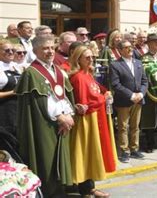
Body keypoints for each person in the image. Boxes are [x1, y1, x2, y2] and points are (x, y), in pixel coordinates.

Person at [15, 35, 75, 196]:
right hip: (43, 124)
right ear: (35, 51)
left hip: (62, 122)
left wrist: (68, 114)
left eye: (51, 48)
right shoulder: (31, 73)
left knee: (60, 156)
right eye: (45, 48)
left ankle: (60, 189)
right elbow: (40, 101)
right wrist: (59, 117)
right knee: (46, 157)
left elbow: (63, 95)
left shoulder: (58, 70)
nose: (49, 51)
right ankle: (48, 192)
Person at [69, 46, 116, 197]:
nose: (91, 60)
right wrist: (103, 98)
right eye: (87, 57)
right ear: (78, 59)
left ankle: (90, 188)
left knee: (93, 154)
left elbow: (98, 89)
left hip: (96, 118)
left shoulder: (87, 74)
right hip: (87, 122)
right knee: (87, 154)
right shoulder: (78, 78)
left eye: (92, 57)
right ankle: (85, 190)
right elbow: (84, 105)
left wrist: (105, 92)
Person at [109, 40, 148, 162]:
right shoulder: (115, 65)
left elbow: (144, 81)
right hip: (124, 101)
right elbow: (116, 84)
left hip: (138, 100)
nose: (130, 49)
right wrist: (131, 95)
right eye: (126, 48)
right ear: (120, 51)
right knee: (123, 127)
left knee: (135, 126)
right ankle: (124, 151)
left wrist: (141, 93)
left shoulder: (138, 63)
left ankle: (134, 149)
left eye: (130, 47)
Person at [0, 40, 21, 136]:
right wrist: (13, 92)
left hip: (18, 110)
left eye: (13, 50)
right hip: (4, 111)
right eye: (7, 50)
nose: (11, 52)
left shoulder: (17, 67)